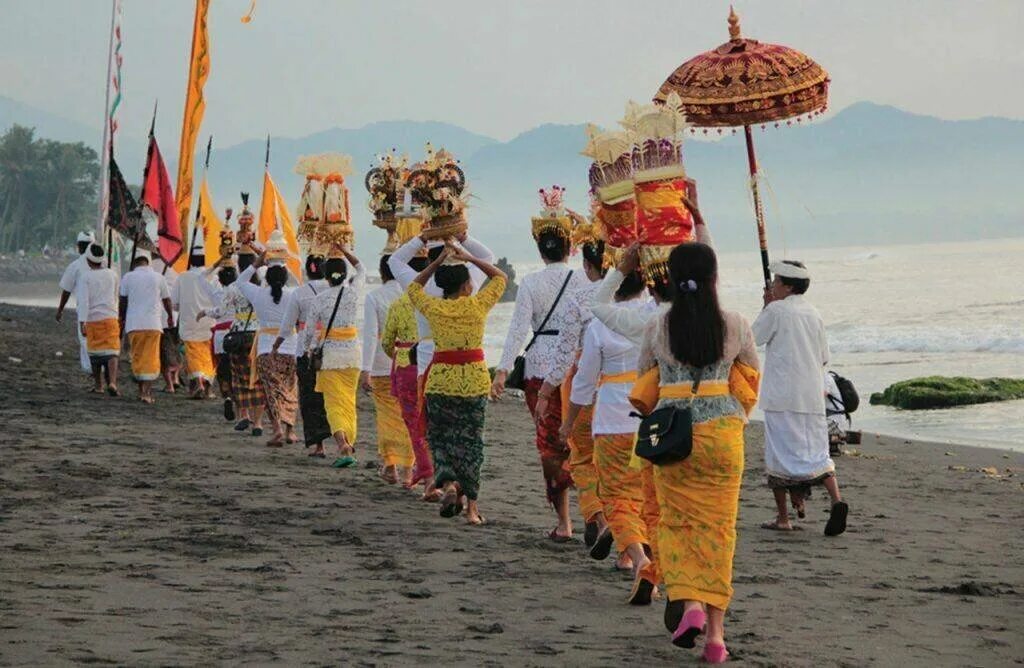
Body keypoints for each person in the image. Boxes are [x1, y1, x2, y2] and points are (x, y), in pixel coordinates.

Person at [637, 242, 759, 662]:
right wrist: (735, 409)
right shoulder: (737, 323)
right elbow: (752, 375)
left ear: (669, 279)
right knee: (719, 532)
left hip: (674, 436)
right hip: (723, 434)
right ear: (714, 279)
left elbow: (642, 379)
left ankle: (689, 604)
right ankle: (716, 638)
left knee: (676, 525)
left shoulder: (657, 327)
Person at [492, 191, 589, 542]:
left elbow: (518, 329)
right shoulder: (585, 280)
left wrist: (503, 370)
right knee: (586, 443)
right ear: (570, 246)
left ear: (540, 249)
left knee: (550, 445)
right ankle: (600, 514)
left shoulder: (531, 283)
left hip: (539, 372)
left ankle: (564, 522)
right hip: (580, 368)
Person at [560, 268, 659, 604]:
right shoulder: (655, 319)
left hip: (613, 416)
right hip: (651, 413)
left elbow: (584, 383)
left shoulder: (602, 324)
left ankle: (637, 558)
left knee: (616, 496)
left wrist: (569, 422)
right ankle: (640, 554)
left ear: (612, 287)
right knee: (648, 490)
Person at [388, 232, 495, 496]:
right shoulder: (466, 284)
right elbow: (489, 260)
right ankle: (470, 503)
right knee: (469, 436)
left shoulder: (421, 286)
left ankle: (435, 482)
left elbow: (394, 261)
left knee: (433, 430)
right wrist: (464, 238)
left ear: (428, 256)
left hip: (430, 364)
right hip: (469, 365)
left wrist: (420, 238)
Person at [407, 243, 506, 525]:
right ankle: (472, 510)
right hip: (474, 380)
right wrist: (470, 256)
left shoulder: (435, 307)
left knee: (441, 440)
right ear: (466, 286)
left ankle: (449, 485)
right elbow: (501, 278)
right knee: (472, 444)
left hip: (441, 381)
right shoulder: (477, 306)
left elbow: (414, 288)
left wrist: (436, 262)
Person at [752, 260, 849, 536]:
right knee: (817, 453)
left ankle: (783, 517)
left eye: (776, 282)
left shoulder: (777, 311)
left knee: (780, 456)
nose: (772, 285)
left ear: (788, 285)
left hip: (782, 396)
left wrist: (765, 306)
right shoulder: (813, 313)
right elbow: (823, 357)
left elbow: (753, 338)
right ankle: (837, 500)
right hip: (811, 396)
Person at [539, 222, 609, 550]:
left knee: (583, 458)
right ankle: (629, 549)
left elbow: (563, 353)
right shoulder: (637, 301)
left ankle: (598, 516)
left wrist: (545, 392)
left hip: (584, 386)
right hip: (629, 390)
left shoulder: (580, 300)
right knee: (623, 464)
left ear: (587, 266)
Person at [380, 264, 437, 498]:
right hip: (434, 363)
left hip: (406, 366)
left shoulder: (399, 304)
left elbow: (386, 343)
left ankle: (428, 477)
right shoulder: (435, 301)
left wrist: (398, 353)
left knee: (415, 425)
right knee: (434, 423)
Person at [306, 246, 365, 468]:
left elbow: (310, 331)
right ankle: (349, 441)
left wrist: (307, 349)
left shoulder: (319, 299)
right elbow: (362, 268)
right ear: (344, 274)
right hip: (352, 355)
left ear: (325, 275)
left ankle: (342, 443)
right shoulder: (353, 292)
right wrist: (344, 250)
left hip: (330, 356)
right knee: (349, 401)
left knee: (333, 404)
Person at [361, 254, 414, 483]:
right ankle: (409, 470)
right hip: (410, 358)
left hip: (382, 361)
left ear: (382, 273)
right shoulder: (412, 294)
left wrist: (365, 369)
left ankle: (390, 464)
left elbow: (371, 335)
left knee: (386, 416)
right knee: (409, 417)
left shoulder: (375, 296)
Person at [273, 254, 330, 457]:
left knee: (310, 398)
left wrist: (276, 344)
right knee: (333, 397)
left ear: (307, 271)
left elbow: (288, 325)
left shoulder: (299, 293)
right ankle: (344, 441)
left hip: (306, 351)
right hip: (331, 348)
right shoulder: (335, 290)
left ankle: (319, 446)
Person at [238, 251, 297, 446]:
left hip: (266, 349)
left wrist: (256, 263)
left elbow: (240, 281)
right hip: (290, 348)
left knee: (270, 392)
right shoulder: (293, 295)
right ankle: (290, 431)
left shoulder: (258, 293)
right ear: (286, 277)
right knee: (288, 391)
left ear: (267, 278)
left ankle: (277, 429)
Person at [205, 252, 265, 436]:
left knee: (239, 378)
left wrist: (205, 312)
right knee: (257, 378)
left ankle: (243, 415)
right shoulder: (262, 287)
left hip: (238, 333)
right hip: (258, 335)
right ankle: (258, 423)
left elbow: (220, 311)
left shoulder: (234, 288)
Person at [119, 253, 174, 404]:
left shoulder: (128, 277)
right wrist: (170, 316)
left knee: (138, 357)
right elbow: (167, 300)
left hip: (134, 325)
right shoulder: (158, 277)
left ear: (135, 265)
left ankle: (141, 391)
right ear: (148, 264)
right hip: (153, 324)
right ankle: (146, 392)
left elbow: (122, 301)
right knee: (151, 358)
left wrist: (121, 319)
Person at [171, 239, 217, 398]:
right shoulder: (212, 277)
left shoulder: (182, 277)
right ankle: (208, 387)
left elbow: (174, 304)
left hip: (189, 323)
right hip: (210, 322)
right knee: (207, 355)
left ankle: (198, 381)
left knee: (193, 355)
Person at [77, 242, 121, 396]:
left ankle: (98, 385)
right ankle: (113, 382)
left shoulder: (85, 277)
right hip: (110, 317)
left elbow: (84, 301)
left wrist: (83, 322)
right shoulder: (112, 274)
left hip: (93, 318)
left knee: (95, 354)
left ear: (88, 260)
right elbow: (115, 296)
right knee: (112, 352)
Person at [198, 260, 240, 421]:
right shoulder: (241, 291)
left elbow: (201, 278)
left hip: (221, 335)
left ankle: (227, 397)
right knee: (238, 368)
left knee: (223, 370)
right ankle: (239, 401)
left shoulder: (216, 293)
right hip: (237, 333)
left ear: (220, 280)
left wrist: (217, 263)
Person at [55, 231, 96, 374]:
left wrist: (60, 309)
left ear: (78, 246)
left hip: (84, 310)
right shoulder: (104, 263)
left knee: (85, 340)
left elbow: (66, 290)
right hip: (104, 310)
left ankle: (92, 371)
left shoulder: (76, 265)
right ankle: (100, 370)